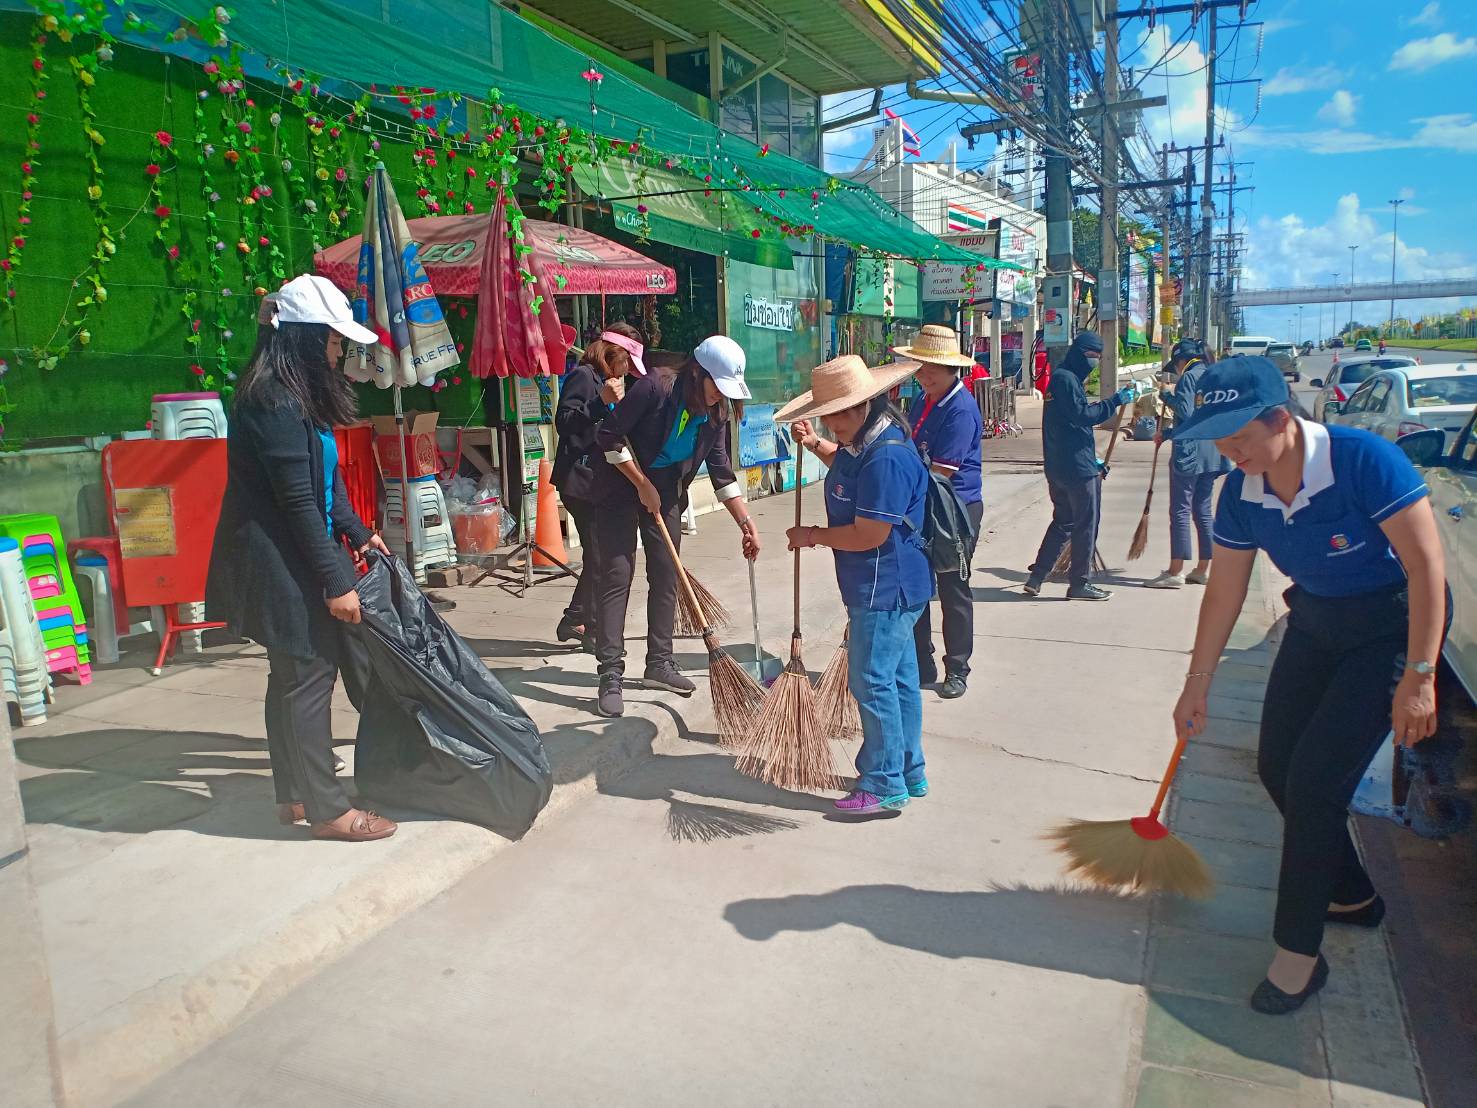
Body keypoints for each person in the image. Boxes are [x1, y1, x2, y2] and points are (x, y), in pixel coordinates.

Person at [1167, 355, 1445, 1014]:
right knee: (1275, 767)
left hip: (1389, 629)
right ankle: (1350, 893)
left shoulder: (1364, 462)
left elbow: (1425, 565)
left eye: (1239, 434)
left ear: (1281, 418)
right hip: (1315, 621)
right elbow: (1225, 588)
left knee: (1316, 784)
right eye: (1217, 437)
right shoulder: (1239, 492)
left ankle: (1297, 955)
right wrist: (1195, 682)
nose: (1229, 450)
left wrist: (1419, 675)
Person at [206, 274, 397, 842]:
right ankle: (329, 810)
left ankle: (292, 794)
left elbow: (324, 484)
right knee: (311, 674)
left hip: (291, 553)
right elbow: (296, 504)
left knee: (289, 676)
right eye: (334, 341)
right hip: (274, 561)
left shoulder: (296, 398)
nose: (340, 352)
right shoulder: (272, 403)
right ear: (306, 339)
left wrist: (361, 533)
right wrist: (338, 582)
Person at [782, 355, 933, 814]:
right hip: (892, 587)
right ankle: (909, 769)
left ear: (865, 405)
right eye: (825, 415)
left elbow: (870, 534)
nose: (831, 424)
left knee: (871, 682)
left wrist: (811, 536)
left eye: (838, 414)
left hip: (883, 588)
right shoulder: (867, 443)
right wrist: (814, 445)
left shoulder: (885, 456)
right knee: (900, 680)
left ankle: (884, 783)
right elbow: (847, 467)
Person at [589, 336, 760, 718]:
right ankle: (610, 674)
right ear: (697, 373)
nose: (721, 396)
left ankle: (659, 664)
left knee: (667, 573)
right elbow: (608, 437)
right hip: (619, 482)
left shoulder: (715, 416)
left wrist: (745, 523)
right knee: (618, 573)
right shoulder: (654, 388)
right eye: (717, 386)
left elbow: (721, 472)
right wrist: (641, 483)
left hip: (665, 487)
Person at [893, 324, 984, 698]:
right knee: (917, 585)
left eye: (931, 367)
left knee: (952, 588)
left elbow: (941, 471)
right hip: (923, 505)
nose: (923, 374)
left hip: (954, 511)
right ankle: (922, 660)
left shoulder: (961, 409)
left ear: (952, 370)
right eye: (919, 365)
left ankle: (958, 667)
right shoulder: (923, 401)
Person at [550, 322, 644, 651]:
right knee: (601, 555)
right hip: (579, 481)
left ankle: (575, 618)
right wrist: (600, 402)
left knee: (598, 555)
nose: (628, 371)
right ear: (612, 354)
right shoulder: (584, 377)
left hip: (598, 482)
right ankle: (589, 625)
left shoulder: (607, 382)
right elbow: (565, 422)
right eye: (627, 363)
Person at [1024, 331, 1136, 600]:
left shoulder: (1063, 380)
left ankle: (1037, 577)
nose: (1094, 362)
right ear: (1079, 353)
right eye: (1091, 356)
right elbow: (1084, 416)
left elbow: (1071, 427)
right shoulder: (1066, 380)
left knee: (1063, 522)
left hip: (1061, 465)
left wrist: (1095, 460)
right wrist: (1115, 401)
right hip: (1076, 469)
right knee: (1086, 523)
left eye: (1098, 357)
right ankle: (1079, 583)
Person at [1146, 337, 1230, 589]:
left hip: (1190, 454)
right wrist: (1169, 433)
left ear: (1182, 360)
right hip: (1213, 453)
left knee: (1180, 510)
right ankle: (1203, 569)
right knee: (1202, 510)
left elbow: (1187, 413)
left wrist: (1165, 396)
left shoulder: (1189, 378)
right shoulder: (1214, 375)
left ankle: (1175, 571)